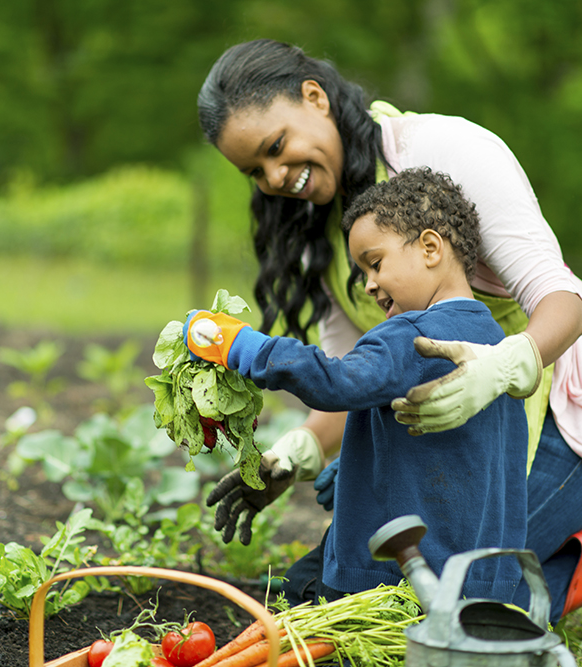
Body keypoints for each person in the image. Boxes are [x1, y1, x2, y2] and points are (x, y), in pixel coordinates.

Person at [194, 38, 582, 646]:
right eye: (255, 170)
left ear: (314, 97)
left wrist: (497, 369)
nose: (276, 177)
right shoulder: (316, 230)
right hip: (446, 442)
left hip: (558, 417)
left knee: (474, 609)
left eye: (276, 147)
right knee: (360, 596)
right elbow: (356, 376)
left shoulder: (442, 151)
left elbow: (563, 304)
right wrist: (293, 453)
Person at [186, 167, 530, 604]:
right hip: (479, 580)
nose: (368, 285)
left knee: (293, 598)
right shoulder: (493, 344)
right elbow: (454, 451)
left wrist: (241, 347)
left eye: (375, 263)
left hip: (390, 580)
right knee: (300, 579)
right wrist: (355, 469)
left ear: (429, 248)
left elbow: (337, 382)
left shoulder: (408, 334)